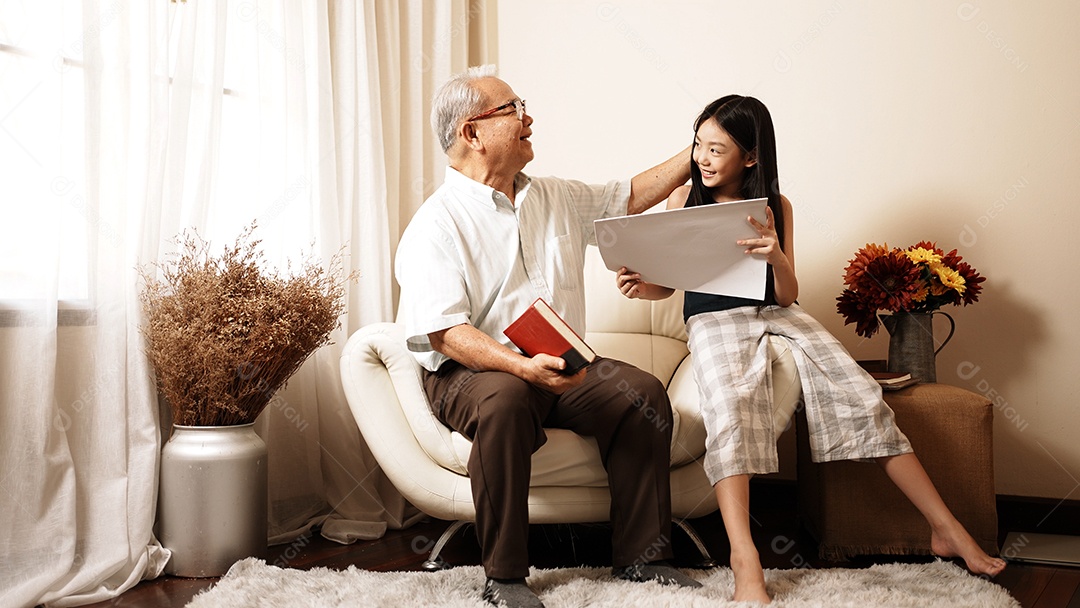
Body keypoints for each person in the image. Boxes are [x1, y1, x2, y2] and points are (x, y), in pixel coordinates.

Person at [615, 95, 1006, 603]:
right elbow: (668, 287)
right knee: (731, 408)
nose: (703, 159)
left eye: (717, 149)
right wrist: (640, 286)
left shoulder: (776, 207)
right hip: (712, 320)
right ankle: (743, 556)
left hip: (775, 312)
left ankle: (946, 529)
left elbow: (787, 295)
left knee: (863, 395)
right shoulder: (682, 201)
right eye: (698, 146)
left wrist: (776, 255)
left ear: (751, 158)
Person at [394, 65, 700, 608]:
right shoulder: (435, 223)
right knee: (508, 399)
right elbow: (444, 332)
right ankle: (505, 577)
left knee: (642, 394)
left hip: (560, 362)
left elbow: (627, 196)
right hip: (473, 370)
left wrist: (694, 147)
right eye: (513, 110)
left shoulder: (554, 196)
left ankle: (644, 559)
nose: (528, 118)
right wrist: (518, 367)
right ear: (472, 132)